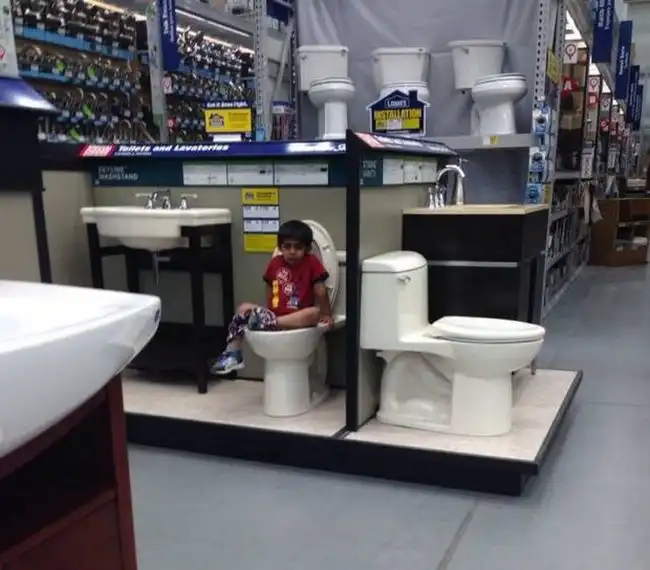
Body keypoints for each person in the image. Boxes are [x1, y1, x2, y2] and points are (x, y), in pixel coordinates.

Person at [211, 220, 334, 375]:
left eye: (298, 247)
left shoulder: (312, 262)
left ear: (307, 248)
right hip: (274, 316)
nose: (292, 251)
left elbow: (321, 291)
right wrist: (268, 311)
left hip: (298, 319)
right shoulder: (275, 263)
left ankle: (268, 324)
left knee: (313, 313)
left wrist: (326, 313)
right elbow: (270, 287)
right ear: (280, 247)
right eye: (287, 246)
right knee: (243, 308)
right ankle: (233, 352)